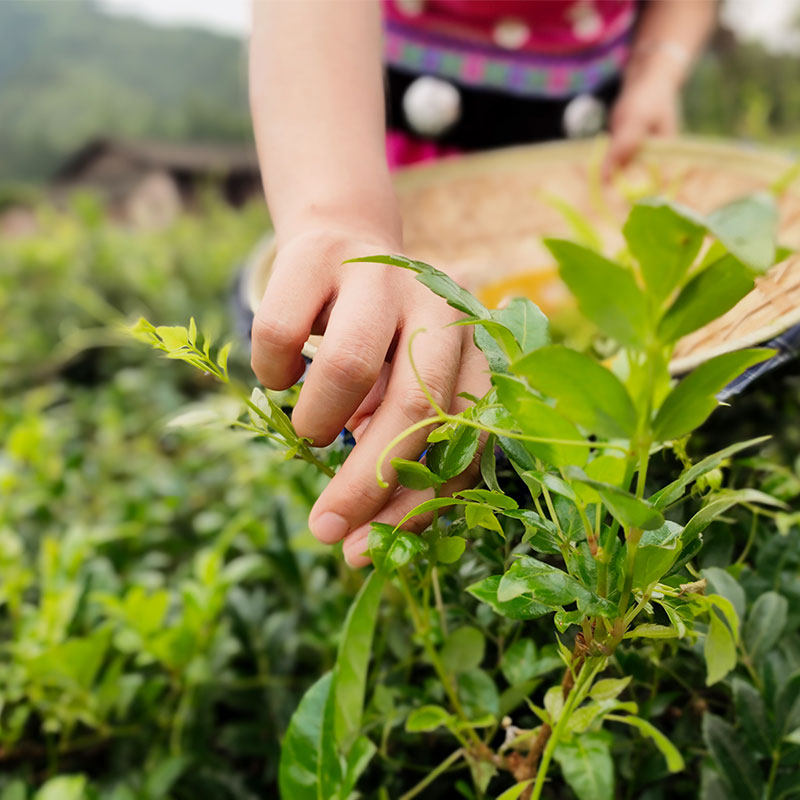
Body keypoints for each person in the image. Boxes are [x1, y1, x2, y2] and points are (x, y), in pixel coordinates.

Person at [248, 0, 716, 567]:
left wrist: (656, 69)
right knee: (394, 408)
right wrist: (342, 220)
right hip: (388, 172)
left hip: (591, 172)